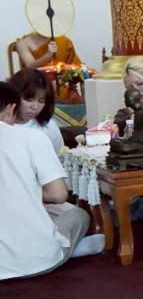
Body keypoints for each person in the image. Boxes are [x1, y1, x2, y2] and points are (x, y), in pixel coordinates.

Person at [0, 83, 103, 279]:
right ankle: (68, 250)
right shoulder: (31, 137)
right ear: (10, 108)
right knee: (79, 216)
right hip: (36, 261)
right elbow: (58, 195)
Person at [9, 69, 63, 153]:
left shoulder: (49, 126)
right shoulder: (4, 127)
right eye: (29, 100)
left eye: (41, 101)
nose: (35, 107)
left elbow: (59, 158)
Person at [16, 31, 80, 71]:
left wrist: (62, 80)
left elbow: (76, 67)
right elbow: (30, 67)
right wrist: (48, 55)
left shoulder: (63, 40)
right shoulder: (23, 43)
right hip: (37, 86)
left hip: (61, 84)